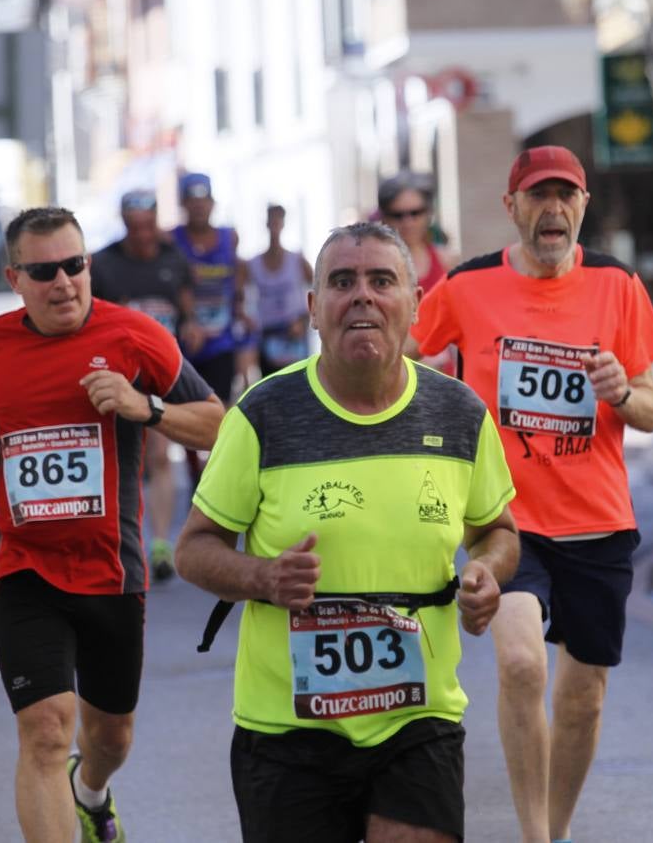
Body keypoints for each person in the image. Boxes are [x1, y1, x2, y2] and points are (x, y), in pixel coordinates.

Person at [176, 221, 519, 843]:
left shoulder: (459, 412)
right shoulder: (263, 415)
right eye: (342, 282)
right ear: (313, 309)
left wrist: (486, 573)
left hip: (418, 717)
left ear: (414, 303)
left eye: (381, 280)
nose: (362, 295)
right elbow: (193, 549)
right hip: (287, 727)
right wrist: (264, 577)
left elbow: (499, 531)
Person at [0, 206, 224, 843]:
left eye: (75, 265)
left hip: (111, 568)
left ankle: (89, 793)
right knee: (44, 730)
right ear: (15, 279)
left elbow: (216, 420)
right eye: (44, 271)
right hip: (22, 564)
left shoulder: (135, 336)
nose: (63, 282)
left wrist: (143, 406)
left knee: (111, 736)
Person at [408, 145, 653, 843]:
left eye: (566, 197)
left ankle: (554, 830)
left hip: (597, 520)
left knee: (581, 700)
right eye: (537, 196)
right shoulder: (466, 287)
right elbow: (404, 359)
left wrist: (622, 390)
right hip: (505, 520)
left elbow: (649, 407)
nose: (552, 210)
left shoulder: (616, 285)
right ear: (511, 207)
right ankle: (535, 840)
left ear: (582, 206)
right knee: (521, 664)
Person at [90, 189, 203, 581]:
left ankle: (159, 545)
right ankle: (126, 541)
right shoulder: (103, 264)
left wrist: (190, 325)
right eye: (134, 228)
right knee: (125, 463)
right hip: (114, 376)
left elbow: (189, 307)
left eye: (148, 226)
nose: (142, 235)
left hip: (160, 373)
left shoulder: (174, 258)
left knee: (159, 455)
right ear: (124, 224)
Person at [172, 172, 252, 481]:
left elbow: (239, 273)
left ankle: (221, 472)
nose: (199, 209)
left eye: (203, 202)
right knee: (188, 408)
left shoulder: (228, 237)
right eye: (192, 203)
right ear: (183, 205)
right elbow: (175, 284)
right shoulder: (173, 239)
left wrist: (242, 309)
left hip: (221, 341)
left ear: (212, 203)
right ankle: (195, 475)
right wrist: (188, 317)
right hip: (188, 343)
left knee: (222, 409)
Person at [377, 172, 455, 373]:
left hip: (442, 375)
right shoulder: (375, 267)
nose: (408, 222)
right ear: (384, 216)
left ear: (428, 213)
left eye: (415, 213)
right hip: (395, 373)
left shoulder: (446, 259)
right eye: (398, 214)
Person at [247, 204, 313, 375]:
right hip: (267, 335)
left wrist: (304, 320)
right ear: (266, 224)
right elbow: (239, 297)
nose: (275, 226)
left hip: (294, 334)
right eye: (272, 221)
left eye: (278, 221)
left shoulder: (297, 260)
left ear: (283, 224)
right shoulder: (253, 264)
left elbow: (319, 290)